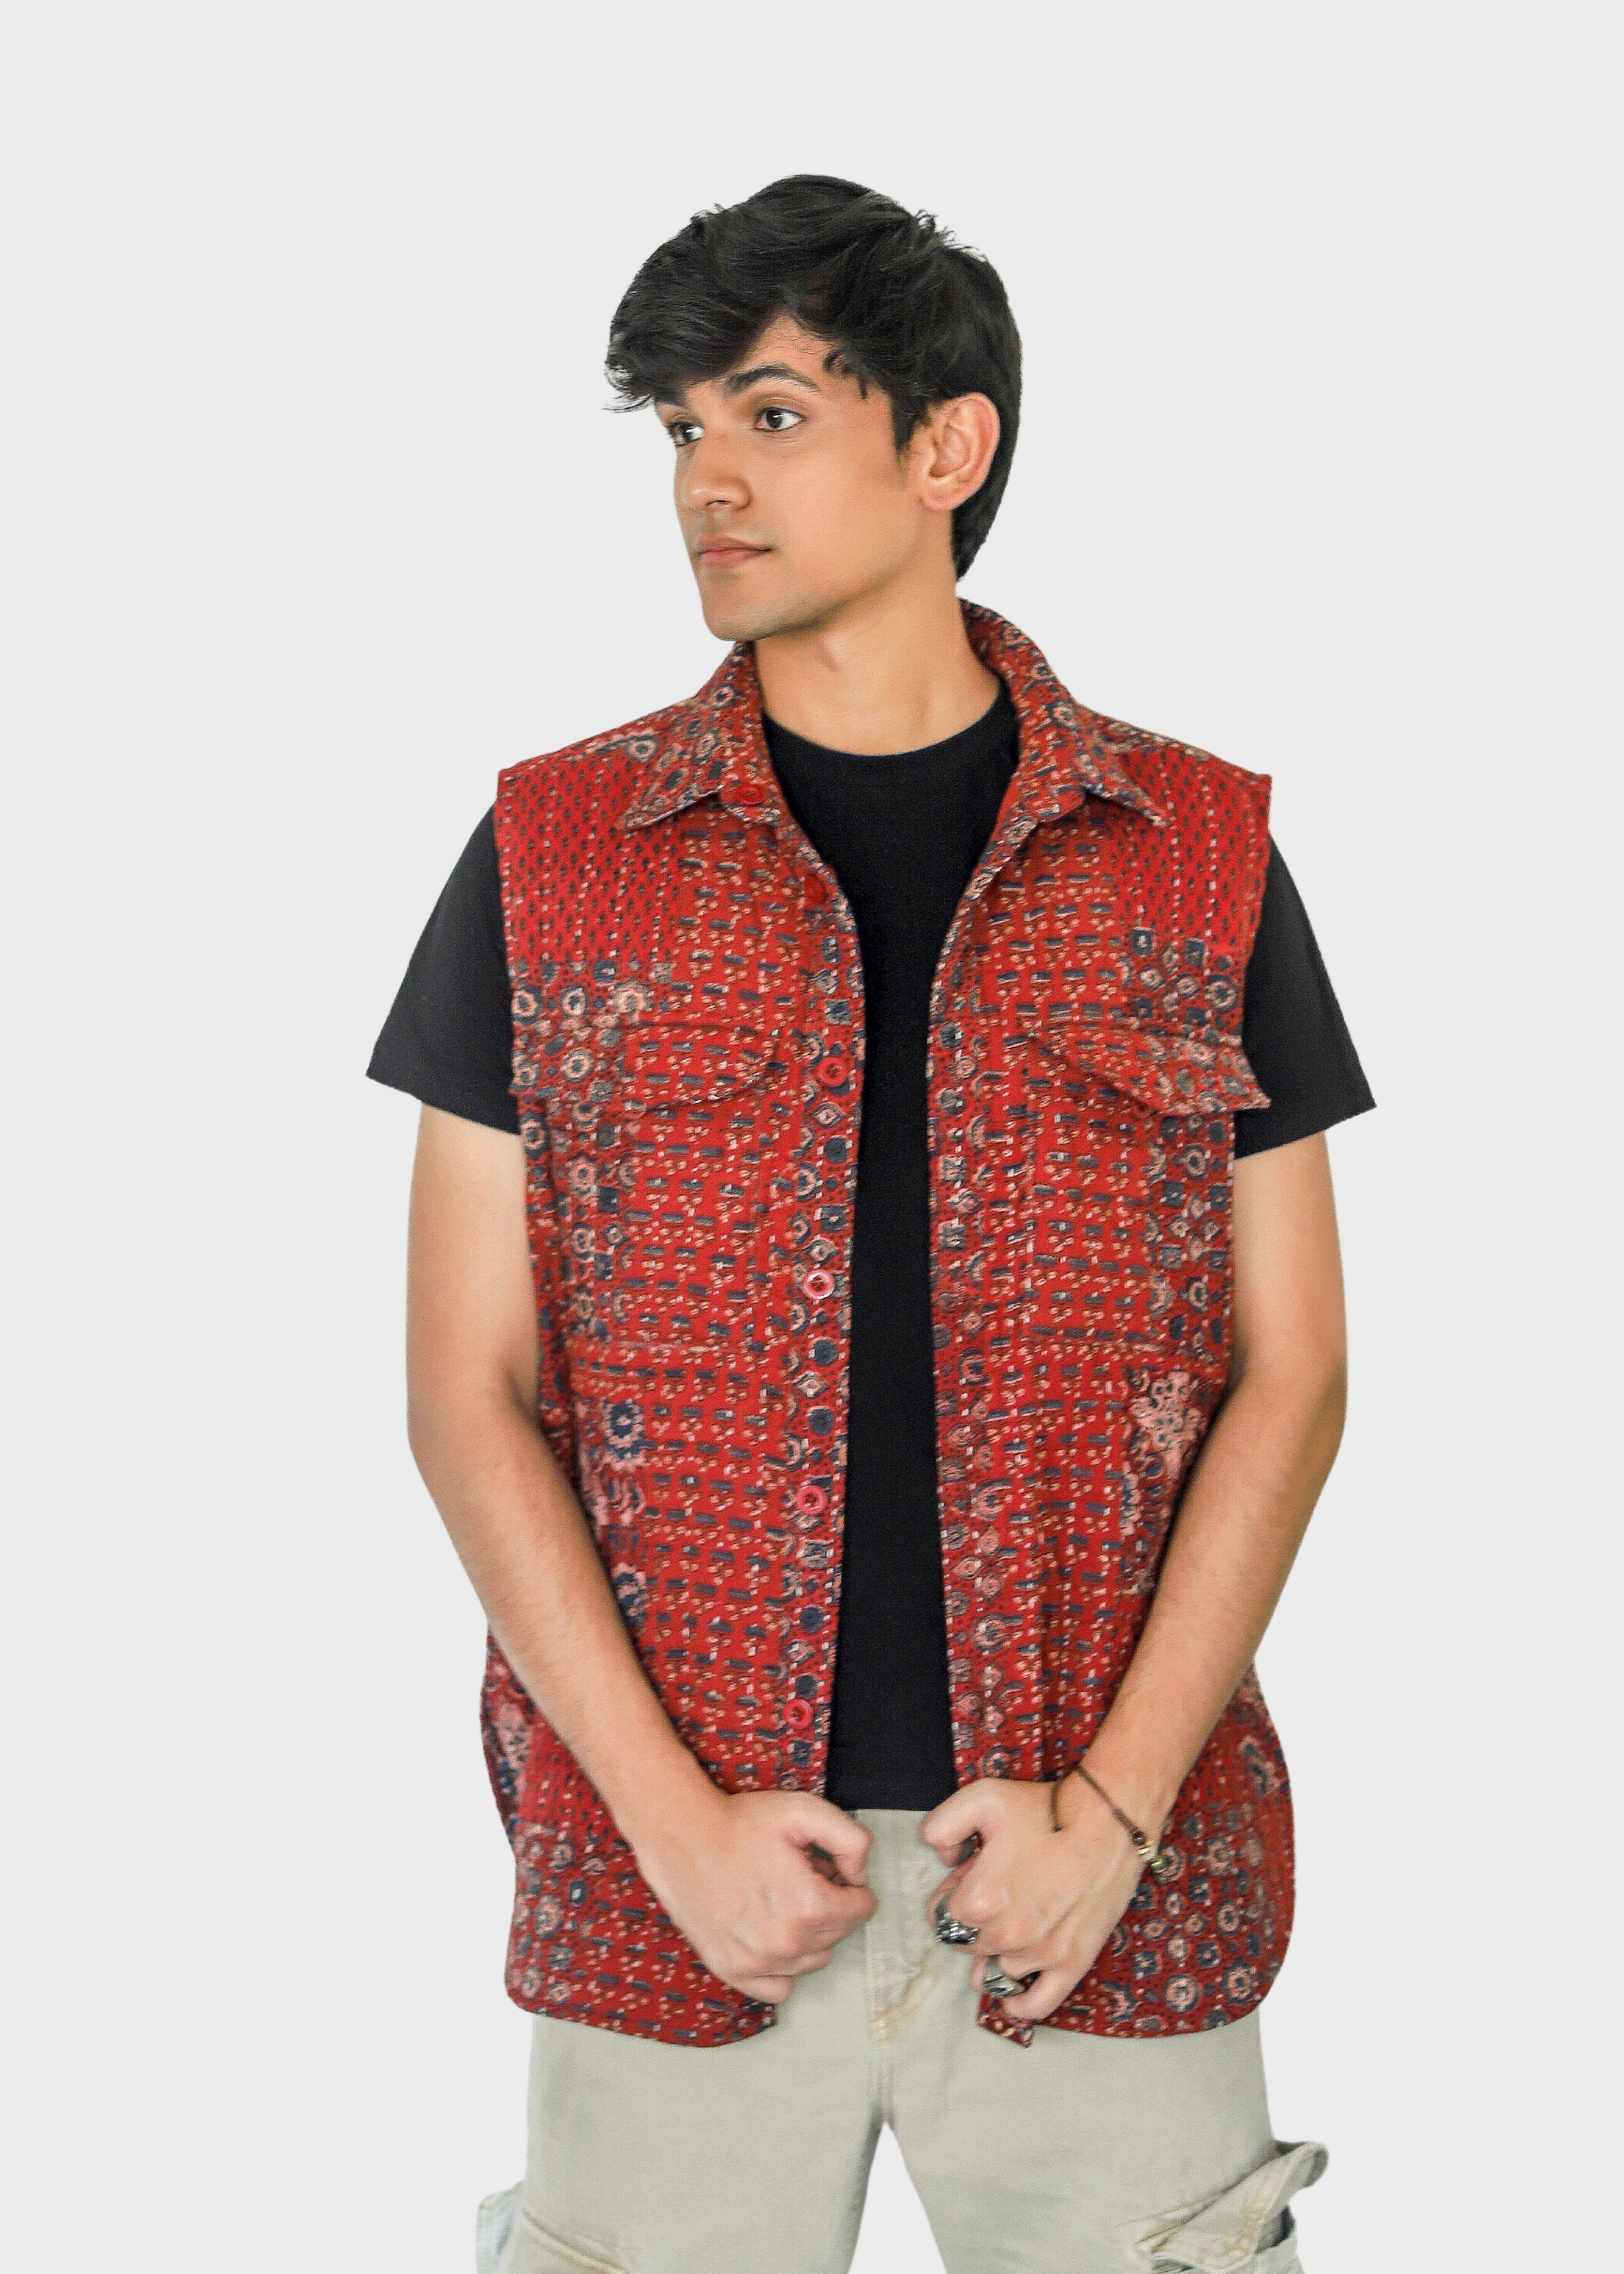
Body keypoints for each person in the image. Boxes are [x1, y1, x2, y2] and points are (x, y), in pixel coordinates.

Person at [369, 174, 1373, 2274]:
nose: (705, 484)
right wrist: (673, 1830)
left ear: (948, 446)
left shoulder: (1191, 851)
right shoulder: (558, 855)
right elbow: (468, 1390)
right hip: (681, 1903)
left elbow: (1295, 1370)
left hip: (1104, 1896)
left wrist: (1112, 1817)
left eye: (770, 416)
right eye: (681, 432)